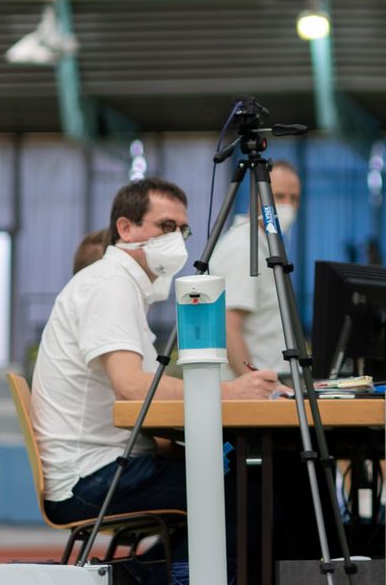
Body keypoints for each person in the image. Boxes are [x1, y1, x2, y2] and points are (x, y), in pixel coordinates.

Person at [31, 178, 280, 530]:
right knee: (255, 499)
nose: (176, 239)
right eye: (166, 227)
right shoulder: (110, 286)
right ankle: (151, 582)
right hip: (92, 478)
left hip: (105, 466)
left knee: (247, 485)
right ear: (125, 228)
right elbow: (131, 386)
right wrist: (228, 392)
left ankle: (157, 578)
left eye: (182, 230)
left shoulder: (122, 286)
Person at [221, 160, 302, 376]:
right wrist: (253, 382)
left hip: (271, 385)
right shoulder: (244, 247)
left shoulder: (266, 244)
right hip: (253, 392)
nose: (288, 206)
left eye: (294, 198)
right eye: (279, 196)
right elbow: (228, 327)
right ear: (256, 195)